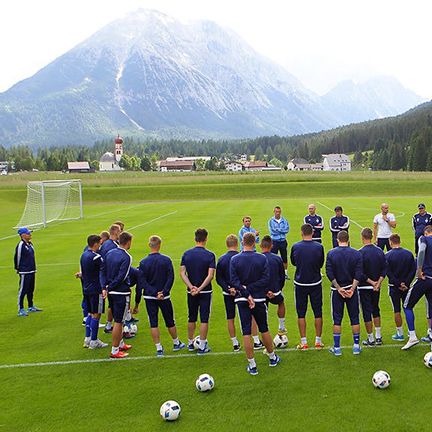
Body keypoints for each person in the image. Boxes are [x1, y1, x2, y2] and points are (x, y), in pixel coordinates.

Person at [230, 232, 281, 375]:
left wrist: (246, 292)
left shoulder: (235, 259)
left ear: (242, 242)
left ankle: (252, 366)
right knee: (264, 328)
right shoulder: (261, 258)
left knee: (246, 331)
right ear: (254, 243)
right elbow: (266, 279)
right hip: (258, 298)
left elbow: (234, 282)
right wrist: (251, 293)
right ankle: (272, 358)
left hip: (242, 299)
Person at [135, 235, 185, 357]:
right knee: (169, 320)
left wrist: (153, 292)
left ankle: (158, 348)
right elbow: (170, 277)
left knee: (153, 322)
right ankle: (176, 342)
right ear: (159, 245)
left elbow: (142, 282)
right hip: (164, 297)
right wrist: (163, 292)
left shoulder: (143, 262)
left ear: (149, 245)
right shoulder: (166, 260)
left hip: (150, 297)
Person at [326, 230, 363, 356]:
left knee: (337, 319)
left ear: (337, 240)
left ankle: (337, 348)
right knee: (354, 318)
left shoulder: (331, 253)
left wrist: (338, 288)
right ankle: (356, 346)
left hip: (337, 291)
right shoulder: (356, 254)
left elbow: (329, 273)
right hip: (351, 290)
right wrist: (352, 289)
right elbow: (358, 273)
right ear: (348, 239)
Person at [180, 228, 216, 355]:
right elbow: (210, 275)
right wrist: (200, 288)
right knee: (204, 319)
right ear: (206, 239)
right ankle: (202, 345)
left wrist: (191, 287)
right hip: (205, 291)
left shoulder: (186, 254)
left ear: (195, 238)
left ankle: (190, 343)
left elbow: (182, 273)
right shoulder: (210, 255)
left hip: (191, 291)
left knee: (192, 317)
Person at [290, 223, 325, 350]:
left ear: (301, 233)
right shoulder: (319, 247)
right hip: (315, 282)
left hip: (300, 283)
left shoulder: (295, 247)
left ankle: (304, 342)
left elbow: (293, 262)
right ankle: (318, 341)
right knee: (318, 312)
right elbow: (321, 263)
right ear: (313, 233)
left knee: (301, 313)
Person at [100, 231, 134, 358]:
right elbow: (122, 276)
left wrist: (105, 287)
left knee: (117, 319)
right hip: (120, 292)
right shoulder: (127, 257)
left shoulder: (109, 253)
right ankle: (115, 350)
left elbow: (103, 271)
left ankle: (120, 343)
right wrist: (110, 287)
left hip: (112, 292)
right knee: (119, 322)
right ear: (128, 242)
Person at [402, 225, 432, 350]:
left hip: (424, 278)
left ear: (426, 232)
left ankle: (413, 336)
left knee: (407, 305)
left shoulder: (423, 239)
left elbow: (421, 251)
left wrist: (419, 270)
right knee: (430, 306)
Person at [357, 228, 387, 346]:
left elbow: (360, 272)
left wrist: (371, 282)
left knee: (366, 312)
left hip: (365, 287)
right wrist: (378, 282)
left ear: (362, 237)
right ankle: (378, 336)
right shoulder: (379, 251)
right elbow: (384, 268)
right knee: (376, 308)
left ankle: (371, 338)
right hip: (376, 287)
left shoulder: (360, 252)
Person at [385, 234, 416, 341]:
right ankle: (411, 332)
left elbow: (388, 273)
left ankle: (400, 333)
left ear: (391, 242)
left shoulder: (387, 255)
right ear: (400, 241)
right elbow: (413, 270)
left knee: (396, 310)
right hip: (407, 287)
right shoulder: (408, 254)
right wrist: (406, 283)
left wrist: (398, 284)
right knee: (408, 308)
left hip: (394, 287)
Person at [80, 234, 108, 349]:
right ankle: (94, 341)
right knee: (96, 314)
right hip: (96, 289)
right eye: (100, 244)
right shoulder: (97, 257)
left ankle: (87, 338)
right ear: (96, 244)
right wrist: (104, 288)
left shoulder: (83, 255)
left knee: (90, 314)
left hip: (86, 288)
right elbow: (102, 273)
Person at [216, 234, 241, 351]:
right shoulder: (241, 257)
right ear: (237, 244)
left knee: (230, 317)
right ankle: (255, 340)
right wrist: (236, 288)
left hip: (227, 293)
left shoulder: (221, 259)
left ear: (227, 245)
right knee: (248, 316)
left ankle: (235, 343)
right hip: (241, 292)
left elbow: (219, 279)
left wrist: (228, 288)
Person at [260, 235, 287, 336]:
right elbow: (282, 276)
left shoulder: (258, 258)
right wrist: (279, 288)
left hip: (262, 291)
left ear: (260, 245)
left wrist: (266, 291)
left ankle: (265, 329)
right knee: (281, 302)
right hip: (275, 289)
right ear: (271, 246)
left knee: (263, 308)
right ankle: (281, 327)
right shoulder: (277, 258)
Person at [14, 227, 42, 316]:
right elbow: (17, 258)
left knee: (31, 289)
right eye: (28, 233)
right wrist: (18, 269)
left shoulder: (30, 244)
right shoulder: (21, 245)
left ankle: (30, 306)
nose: (30, 234)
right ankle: (20, 308)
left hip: (32, 270)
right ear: (22, 235)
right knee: (23, 290)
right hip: (24, 271)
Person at [99, 224, 121, 334]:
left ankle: (108, 325)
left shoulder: (107, 244)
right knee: (115, 304)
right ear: (116, 232)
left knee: (111, 304)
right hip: (111, 279)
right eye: (120, 231)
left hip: (107, 278)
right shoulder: (111, 246)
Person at [268, 206, 290, 278]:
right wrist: (281, 230)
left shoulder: (284, 220)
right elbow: (272, 231)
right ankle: (274, 272)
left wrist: (278, 229)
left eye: (279, 212)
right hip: (274, 241)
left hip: (283, 241)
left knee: (284, 257)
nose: (278, 213)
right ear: (274, 212)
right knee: (273, 257)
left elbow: (287, 230)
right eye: (276, 212)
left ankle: (285, 273)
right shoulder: (271, 221)